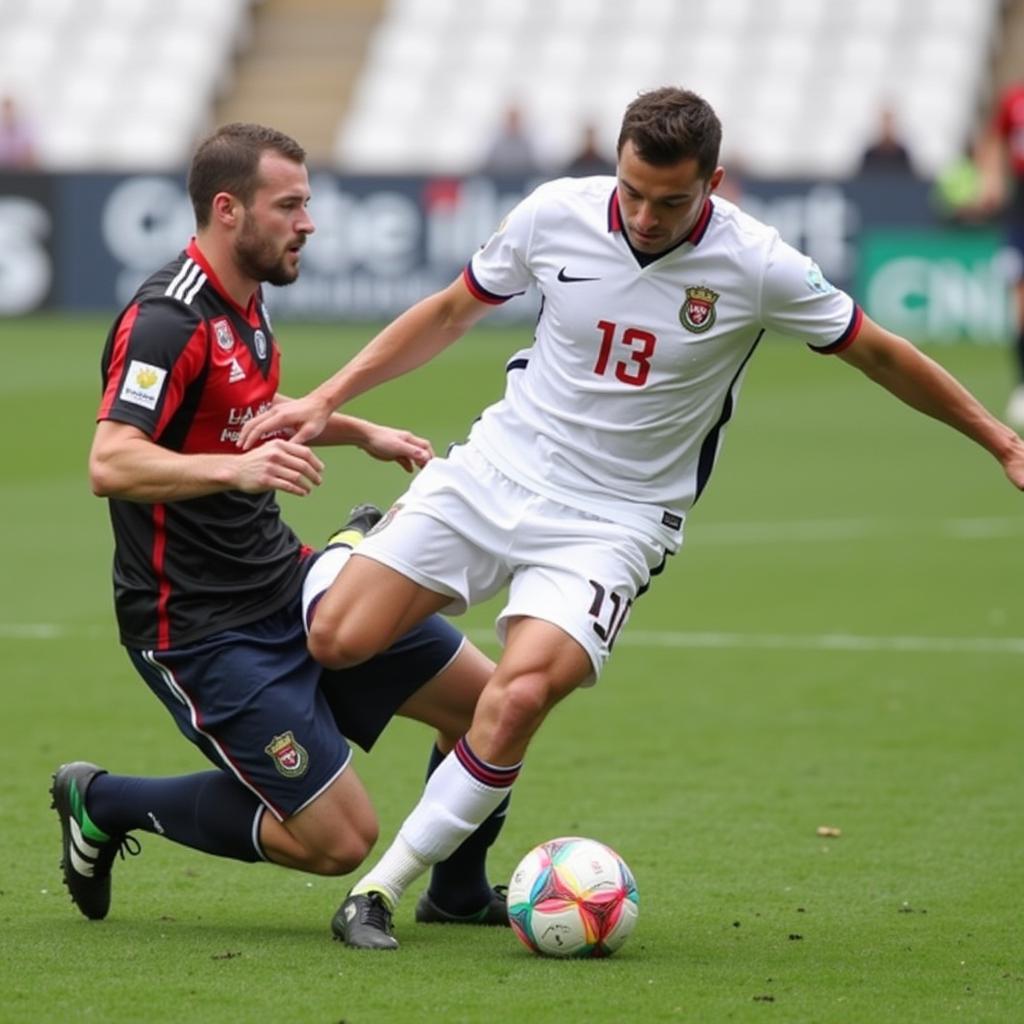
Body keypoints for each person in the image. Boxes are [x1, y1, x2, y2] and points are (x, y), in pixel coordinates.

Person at [237, 88, 1024, 950]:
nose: (645, 217)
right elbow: (451, 310)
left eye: (671, 201)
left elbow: (880, 351)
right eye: (633, 192)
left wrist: (998, 439)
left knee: (521, 693)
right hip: (498, 469)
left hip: (615, 520)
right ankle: (360, 540)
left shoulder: (757, 263)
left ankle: (380, 891)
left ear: (714, 183)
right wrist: (327, 398)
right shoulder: (554, 214)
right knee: (336, 642)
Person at [50, 122, 511, 940]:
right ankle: (104, 800)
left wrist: (356, 428)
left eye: (308, 203)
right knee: (340, 842)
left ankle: (460, 890)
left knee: (492, 704)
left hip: (286, 585)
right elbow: (111, 461)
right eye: (290, 205)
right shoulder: (168, 320)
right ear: (229, 210)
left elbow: (244, 417)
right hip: (200, 627)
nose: (308, 223)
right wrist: (235, 470)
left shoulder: (247, 303)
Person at [976, 81, 1024, 429]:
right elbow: (993, 139)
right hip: (1021, 209)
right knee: (1021, 303)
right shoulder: (1014, 100)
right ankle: (1023, 386)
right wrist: (990, 179)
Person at [480, 103, 539, 176]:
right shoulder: (497, 142)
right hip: (499, 180)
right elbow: (489, 164)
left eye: (515, 120)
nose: (513, 124)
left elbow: (533, 165)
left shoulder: (527, 142)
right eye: (511, 120)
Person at [858, 106, 915, 178]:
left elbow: (909, 180)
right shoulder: (870, 153)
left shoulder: (902, 153)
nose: (887, 126)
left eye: (890, 122)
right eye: (885, 122)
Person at [0, 93, 37, 169]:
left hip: (20, 172)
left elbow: (32, 156)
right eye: (6, 109)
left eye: (10, 109)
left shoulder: (25, 131)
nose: (9, 113)